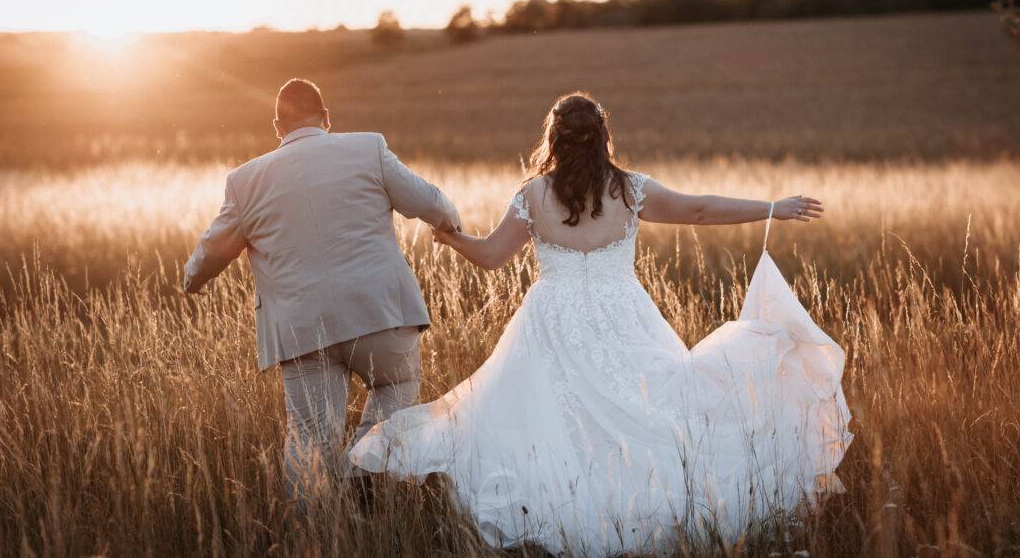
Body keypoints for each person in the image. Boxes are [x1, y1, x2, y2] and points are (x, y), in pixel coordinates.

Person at [350, 91, 852, 555]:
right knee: (649, 408)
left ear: (553, 138)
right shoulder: (631, 190)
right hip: (623, 315)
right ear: (604, 136)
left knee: (556, 423)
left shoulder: (534, 194)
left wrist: (452, 237)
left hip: (553, 321)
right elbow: (698, 210)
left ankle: (569, 510)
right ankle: (639, 510)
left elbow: (491, 257)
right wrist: (771, 208)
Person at [183, 78, 460, 498]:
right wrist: (450, 224)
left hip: (302, 332)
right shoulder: (368, 148)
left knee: (310, 443)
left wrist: (192, 281)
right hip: (379, 314)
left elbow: (212, 252)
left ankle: (312, 533)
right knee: (398, 386)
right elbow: (431, 202)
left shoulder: (246, 181)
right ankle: (362, 469)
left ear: (278, 126)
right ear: (326, 117)